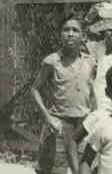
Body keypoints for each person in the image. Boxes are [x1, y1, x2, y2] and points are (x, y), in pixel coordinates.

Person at [31, 15, 96, 174]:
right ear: (60, 34)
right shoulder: (52, 61)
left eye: (75, 30)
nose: (70, 34)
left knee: (82, 169)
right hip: (58, 125)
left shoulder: (90, 62)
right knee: (52, 169)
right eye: (66, 30)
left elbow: (92, 93)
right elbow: (34, 89)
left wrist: (94, 118)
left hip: (82, 125)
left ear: (83, 35)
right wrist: (48, 118)